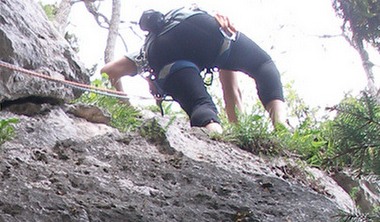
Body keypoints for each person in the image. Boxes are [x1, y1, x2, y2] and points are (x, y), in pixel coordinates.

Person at [102, 7, 287, 134]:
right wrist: (239, 134)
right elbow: (232, 93)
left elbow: (108, 72)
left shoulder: (146, 51)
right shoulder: (151, 45)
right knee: (263, 65)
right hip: (198, 26)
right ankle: (281, 126)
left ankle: (216, 135)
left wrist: (126, 107)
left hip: (161, 52)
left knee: (200, 105)